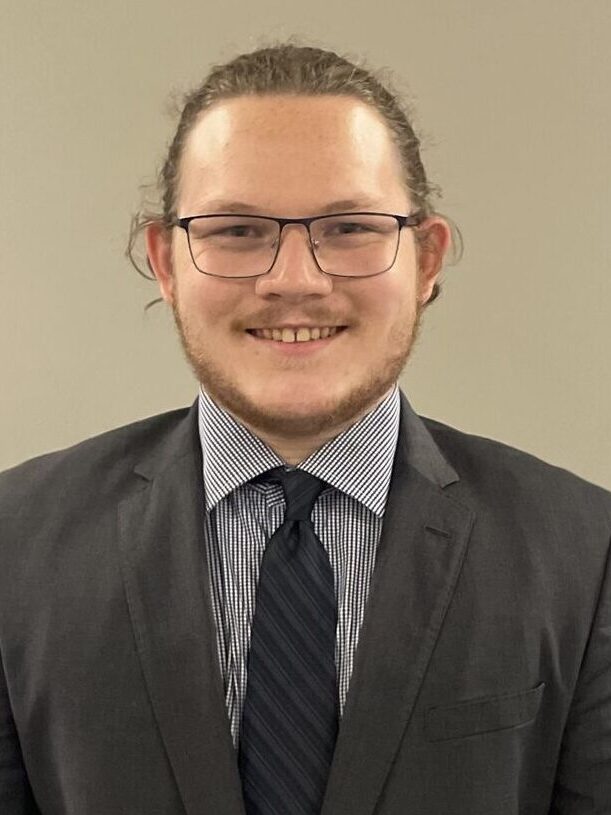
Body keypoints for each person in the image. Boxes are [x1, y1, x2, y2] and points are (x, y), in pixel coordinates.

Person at [0, 41, 609, 815]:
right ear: (166, 262)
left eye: (349, 226)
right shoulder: (15, 543)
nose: (293, 279)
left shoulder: (585, 552)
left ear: (426, 262)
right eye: (236, 230)